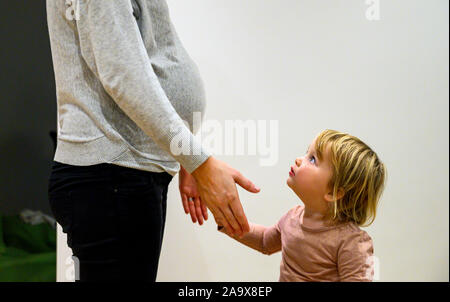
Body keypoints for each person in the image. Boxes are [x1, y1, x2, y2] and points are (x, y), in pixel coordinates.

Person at [46, 0, 260, 282]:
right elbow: (123, 75)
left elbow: (145, 57)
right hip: (112, 173)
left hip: (124, 171)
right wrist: (198, 162)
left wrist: (184, 156)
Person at [218, 129, 387, 281]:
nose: (299, 160)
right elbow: (264, 241)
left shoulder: (351, 242)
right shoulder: (292, 217)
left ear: (334, 193)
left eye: (313, 160)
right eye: (307, 153)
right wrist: (226, 220)